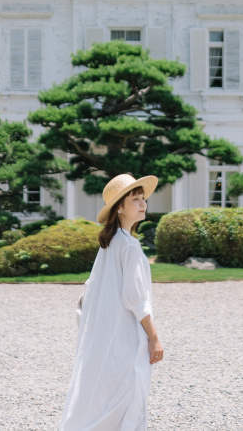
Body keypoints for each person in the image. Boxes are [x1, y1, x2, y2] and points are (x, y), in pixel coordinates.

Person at [59, 173, 164, 431]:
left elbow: (89, 294)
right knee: (130, 399)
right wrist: (153, 336)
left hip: (113, 337)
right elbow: (135, 297)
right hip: (128, 337)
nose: (143, 204)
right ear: (119, 207)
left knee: (107, 397)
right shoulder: (128, 246)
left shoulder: (111, 243)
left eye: (143, 198)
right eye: (135, 199)